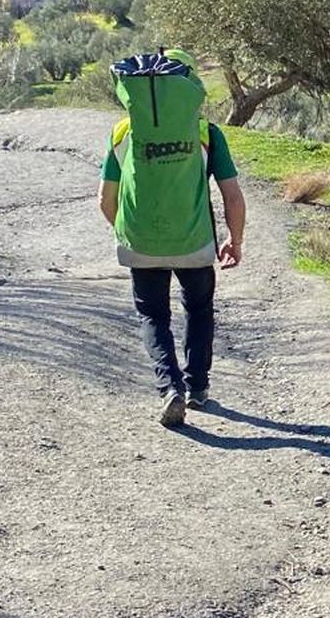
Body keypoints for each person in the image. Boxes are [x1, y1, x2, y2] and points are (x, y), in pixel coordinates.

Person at [98, 48, 245, 428]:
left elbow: (105, 198)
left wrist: (127, 231)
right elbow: (232, 194)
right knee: (198, 309)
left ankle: (170, 388)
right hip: (195, 242)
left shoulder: (122, 131)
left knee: (153, 315)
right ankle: (198, 387)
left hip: (140, 241)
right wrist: (235, 239)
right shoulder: (206, 133)